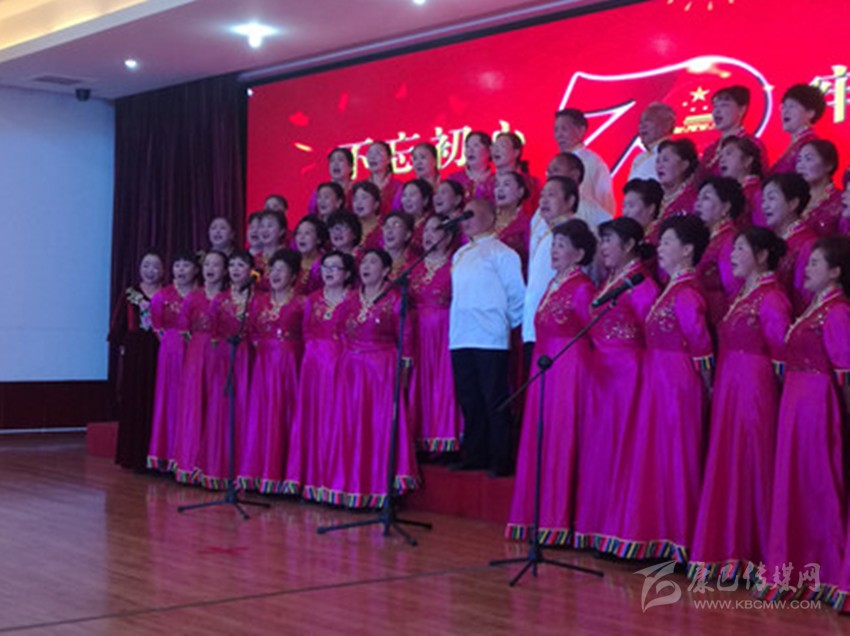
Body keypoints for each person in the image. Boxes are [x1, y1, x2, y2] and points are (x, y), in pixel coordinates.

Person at [603, 215, 712, 563]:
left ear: (688, 249)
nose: (659, 248)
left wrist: (706, 387)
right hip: (658, 380)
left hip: (677, 383)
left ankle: (678, 539)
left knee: (676, 457)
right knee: (656, 457)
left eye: (667, 243)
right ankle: (653, 535)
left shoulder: (687, 292)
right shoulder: (671, 289)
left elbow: (701, 345)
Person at [689, 228, 792, 584]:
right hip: (730, 387)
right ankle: (728, 551)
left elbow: (781, 354)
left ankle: (755, 552)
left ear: (761, 256)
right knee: (730, 462)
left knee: (752, 462)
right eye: (732, 249)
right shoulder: (743, 295)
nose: (732, 256)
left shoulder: (772, 299)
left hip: (754, 389)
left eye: (741, 249)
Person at [759, 236, 850, 604]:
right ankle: (796, 568)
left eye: (815, 263)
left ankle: (825, 568)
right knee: (796, 482)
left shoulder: (837, 312)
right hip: (797, 404)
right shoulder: (816, 308)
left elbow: (845, 371)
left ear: (836, 271)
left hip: (817, 405)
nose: (806, 269)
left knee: (817, 482)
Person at [506, 220, 597, 546]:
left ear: (580, 253)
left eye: (562, 245)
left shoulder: (583, 288)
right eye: (553, 244)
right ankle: (539, 517)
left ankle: (560, 519)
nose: (554, 251)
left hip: (569, 371)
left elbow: (591, 333)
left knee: (562, 438)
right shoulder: (553, 285)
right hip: (545, 368)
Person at [573, 217, 659, 550]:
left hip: (627, 376)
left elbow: (651, 334)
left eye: (609, 240)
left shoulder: (641, 284)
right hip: (602, 374)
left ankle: (620, 527)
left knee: (622, 449)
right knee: (601, 449)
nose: (603, 247)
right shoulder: (613, 279)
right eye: (603, 240)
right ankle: (597, 526)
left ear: (630, 245)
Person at [325, 249, 418, 508]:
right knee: (349, 425)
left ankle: (378, 487)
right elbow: (340, 330)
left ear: (387, 271)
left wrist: (402, 373)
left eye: (373, 262)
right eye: (363, 262)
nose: (366, 266)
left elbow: (406, 338)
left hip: (381, 370)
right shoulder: (351, 299)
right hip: (352, 369)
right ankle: (347, 485)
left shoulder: (396, 299)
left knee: (376, 426)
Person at [449, 198, 525, 477]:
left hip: (490, 338)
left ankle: (500, 457)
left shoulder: (502, 253)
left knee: (494, 398)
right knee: (469, 397)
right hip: (461, 336)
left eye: (471, 214)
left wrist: (503, 326)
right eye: (464, 215)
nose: (466, 220)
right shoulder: (459, 254)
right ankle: (475, 453)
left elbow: (517, 296)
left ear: (491, 217)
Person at [283, 251, 356, 501]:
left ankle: (337, 481)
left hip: (342, 365)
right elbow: (306, 332)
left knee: (338, 421)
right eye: (326, 267)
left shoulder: (354, 299)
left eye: (335, 267)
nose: (329, 272)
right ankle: (311, 481)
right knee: (313, 420)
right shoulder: (312, 299)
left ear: (347, 273)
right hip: (314, 366)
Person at [240, 249, 305, 494]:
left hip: (290, 365)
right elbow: (251, 330)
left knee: (285, 414)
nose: (275, 275)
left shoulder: (302, 303)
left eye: (282, 270)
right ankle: (258, 474)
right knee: (262, 415)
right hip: (264, 364)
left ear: (293, 276)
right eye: (272, 270)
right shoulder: (258, 301)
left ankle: (286, 477)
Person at [196, 251, 258, 490]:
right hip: (224, 358)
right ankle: (218, 468)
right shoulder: (220, 299)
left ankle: (245, 471)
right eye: (231, 265)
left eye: (241, 265)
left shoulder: (258, 299)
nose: (235, 270)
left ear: (251, 270)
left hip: (249, 358)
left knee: (246, 409)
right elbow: (213, 331)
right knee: (222, 409)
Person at [171, 250, 227, 484]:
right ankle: (190, 462)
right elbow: (183, 331)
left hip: (220, 354)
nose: (210, 269)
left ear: (225, 270)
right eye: (207, 265)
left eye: (216, 265)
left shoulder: (228, 298)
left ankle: (213, 465)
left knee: (217, 405)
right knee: (194, 404)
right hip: (196, 353)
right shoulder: (193, 298)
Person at [409, 215, 462, 455]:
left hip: (444, 331)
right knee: (418, 381)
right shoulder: (413, 267)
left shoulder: (455, 265)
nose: (429, 235)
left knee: (443, 381)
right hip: (417, 332)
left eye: (436, 230)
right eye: (426, 230)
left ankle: (444, 439)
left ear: (449, 236)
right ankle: (418, 439)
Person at [109, 252, 163, 471]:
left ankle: (155, 456)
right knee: (134, 402)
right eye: (146, 265)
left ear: (163, 270)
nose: (150, 271)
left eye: (155, 266)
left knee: (155, 401)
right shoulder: (130, 294)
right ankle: (132, 457)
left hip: (160, 352)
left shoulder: (167, 294)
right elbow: (117, 326)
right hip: (135, 354)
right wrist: (123, 346)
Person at [521, 175, 581, 371]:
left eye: (551, 195)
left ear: (570, 201)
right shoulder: (546, 232)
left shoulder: (574, 235)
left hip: (556, 332)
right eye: (542, 195)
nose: (544, 201)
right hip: (535, 324)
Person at [146, 250, 198, 472]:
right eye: (177, 265)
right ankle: (166, 455)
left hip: (195, 353)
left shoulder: (201, 295)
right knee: (170, 400)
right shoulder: (162, 296)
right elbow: (157, 327)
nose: (181, 270)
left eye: (186, 265)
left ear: (196, 270)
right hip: (170, 353)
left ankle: (188, 456)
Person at [761, 173, 817, 314]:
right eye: (763, 200)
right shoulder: (768, 238)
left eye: (771, 198)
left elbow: (804, 297)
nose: (765, 205)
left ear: (793, 204)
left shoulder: (806, 244)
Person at [694, 176, 745, 325]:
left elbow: (734, 289)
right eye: (698, 198)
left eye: (706, 198)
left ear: (726, 207)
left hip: (719, 317)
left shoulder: (729, 240)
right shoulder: (706, 238)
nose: (698, 204)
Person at [553, 108, 615, 215]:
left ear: (581, 130)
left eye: (564, 129)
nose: (559, 135)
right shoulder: (555, 163)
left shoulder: (593, 162)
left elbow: (606, 204)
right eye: (556, 130)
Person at [700, 85, 768, 177]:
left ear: (742, 110)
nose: (717, 111)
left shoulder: (752, 144)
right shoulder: (711, 149)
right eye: (715, 106)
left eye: (724, 105)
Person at [546, 152, 612, 235]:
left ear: (574, 175)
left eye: (556, 170)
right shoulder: (543, 207)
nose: (550, 176)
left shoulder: (595, 213)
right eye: (548, 172)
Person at [769, 84, 827, 176]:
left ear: (810, 113)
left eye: (792, 106)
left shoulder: (811, 145)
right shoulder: (795, 144)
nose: (785, 111)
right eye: (784, 107)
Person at [796, 139, 842, 237]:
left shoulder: (841, 200)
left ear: (829, 165)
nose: (801, 166)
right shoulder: (794, 200)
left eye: (808, 159)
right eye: (799, 160)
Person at [718, 136, 765, 228]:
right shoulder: (729, 193)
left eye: (729, 154)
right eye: (721, 156)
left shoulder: (757, 192)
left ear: (747, 160)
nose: (722, 160)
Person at [492, 131, 540, 213]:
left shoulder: (531, 184)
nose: (496, 150)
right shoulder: (486, 183)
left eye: (502, 146)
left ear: (516, 153)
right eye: (495, 146)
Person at [493, 171, 531, 272]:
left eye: (506, 184)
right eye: (497, 185)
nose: (500, 189)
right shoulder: (487, 219)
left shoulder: (526, 224)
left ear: (520, 192)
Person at [445, 131, 496, 205]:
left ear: (489, 151)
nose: (470, 150)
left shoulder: (497, 181)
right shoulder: (453, 179)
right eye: (467, 146)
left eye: (476, 145)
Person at [628, 102, 676, 181]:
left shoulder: (674, 156)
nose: (642, 126)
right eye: (640, 122)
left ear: (667, 125)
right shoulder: (639, 158)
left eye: (649, 120)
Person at [657, 138, 700, 220]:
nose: (659, 166)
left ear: (684, 165)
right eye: (658, 161)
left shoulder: (691, 199)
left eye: (665, 160)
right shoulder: (655, 198)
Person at [308, 147, 354, 216]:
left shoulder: (356, 191)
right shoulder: (318, 192)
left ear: (350, 166)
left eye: (340, 160)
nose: (336, 164)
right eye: (332, 161)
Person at [621, 178, 664, 245]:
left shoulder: (661, 239)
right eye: (624, 206)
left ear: (651, 208)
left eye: (631, 206)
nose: (625, 212)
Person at [367, 141, 404, 217]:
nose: (372, 157)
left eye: (378, 153)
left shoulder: (398, 186)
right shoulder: (361, 187)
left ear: (389, 159)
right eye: (370, 153)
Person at [293, 216, 328, 295]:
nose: (301, 237)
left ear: (318, 239)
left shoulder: (325, 264)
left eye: (307, 233)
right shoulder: (291, 260)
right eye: (299, 233)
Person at [399, 178, 434, 252]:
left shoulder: (430, 224)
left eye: (412, 195)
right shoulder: (398, 223)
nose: (407, 199)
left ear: (425, 200)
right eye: (404, 195)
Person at [381, 211, 416, 277]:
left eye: (396, 226)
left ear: (407, 235)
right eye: (387, 226)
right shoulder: (375, 262)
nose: (389, 231)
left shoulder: (414, 265)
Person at [351, 180, 383, 250]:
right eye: (355, 199)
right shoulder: (349, 226)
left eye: (364, 198)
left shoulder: (383, 226)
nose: (358, 203)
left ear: (376, 204)